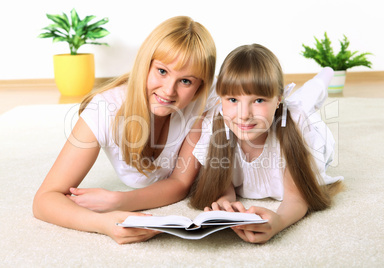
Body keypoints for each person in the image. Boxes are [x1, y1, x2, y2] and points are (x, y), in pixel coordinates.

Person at [33, 16, 217, 244]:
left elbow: (181, 183)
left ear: (200, 86)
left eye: (186, 81)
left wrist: (120, 201)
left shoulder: (203, 102)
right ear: (145, 64)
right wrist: (104, 223)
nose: (169, 90)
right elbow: (44, 200)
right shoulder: (105, 109)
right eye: (162, 71)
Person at [189, 44, 344, 244]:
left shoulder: (298, 125)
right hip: (273, 115)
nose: (244, 115)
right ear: (220, 99)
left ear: (278, 99)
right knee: (302, 98)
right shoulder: (216, 123)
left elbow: (296, 197)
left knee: (308, 98)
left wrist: (278, 222)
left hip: (295, 123)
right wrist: (226, 202)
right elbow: (224, 184)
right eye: (233, 99)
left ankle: (325, 75)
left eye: (259, 100)